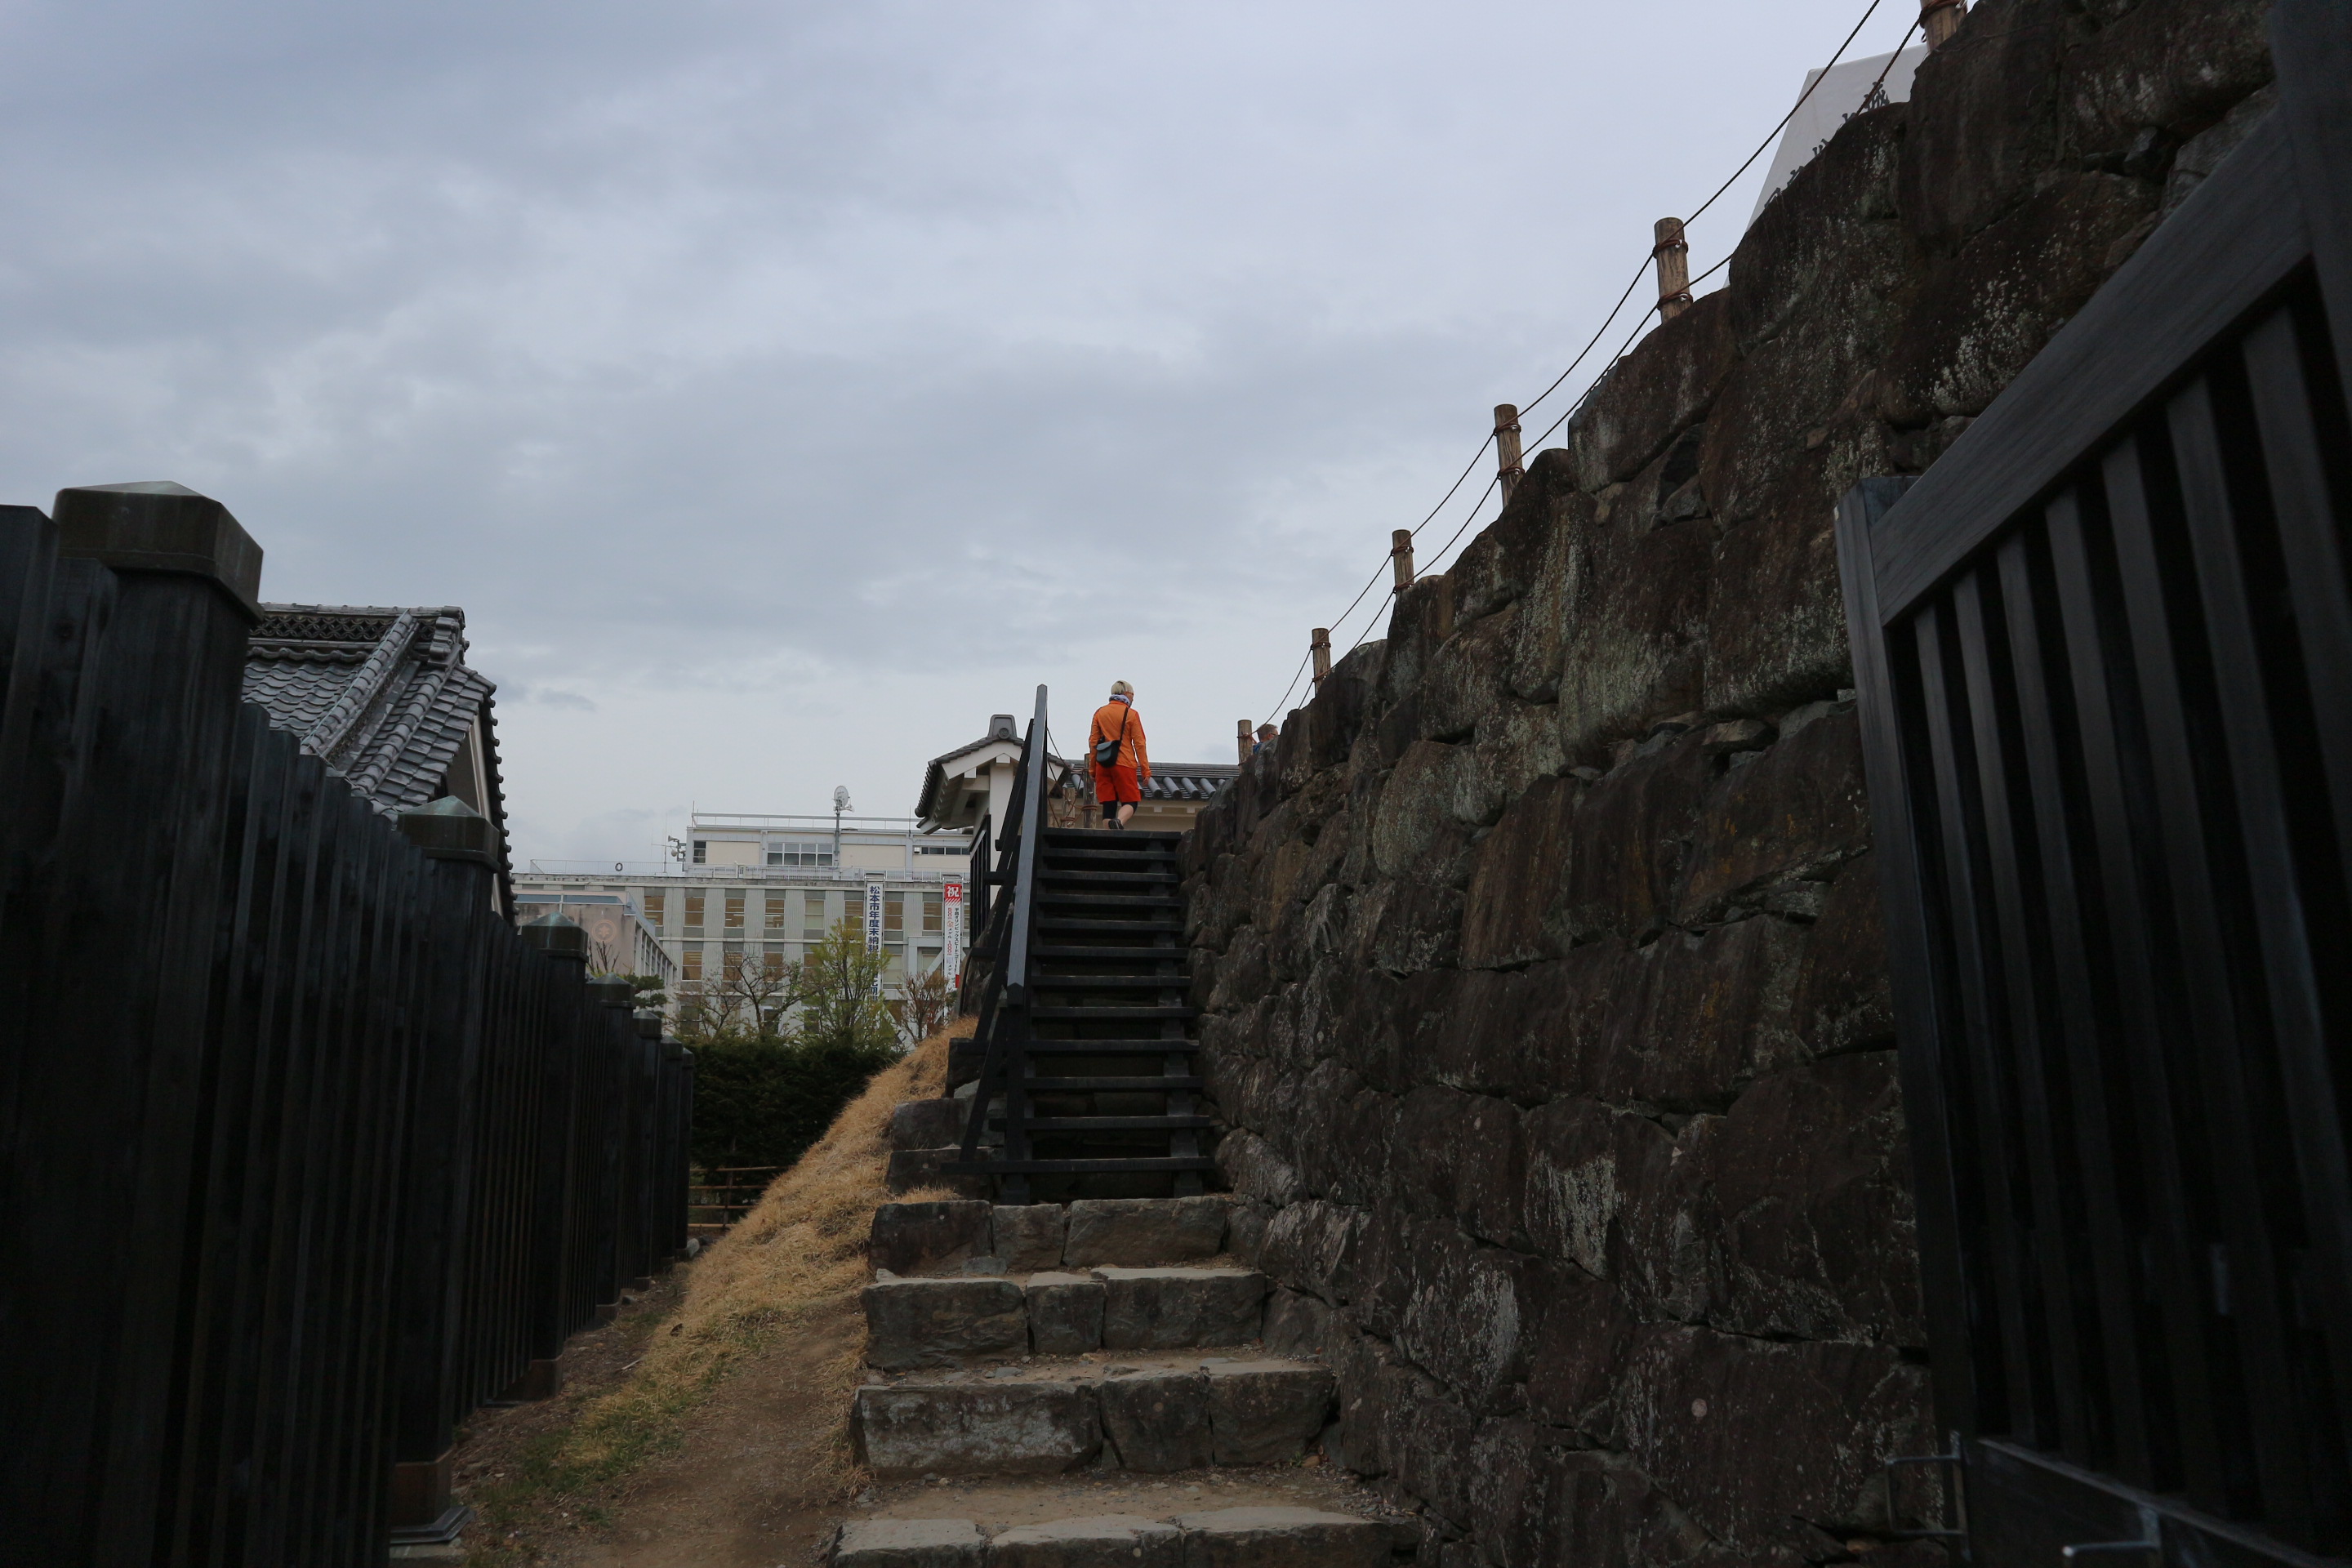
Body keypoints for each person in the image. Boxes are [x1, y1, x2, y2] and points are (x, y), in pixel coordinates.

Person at [1089, 680, 1151, 830]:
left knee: (1108, 804)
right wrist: (1145, 770)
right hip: (1124, 763)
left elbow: (1093, 742)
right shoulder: (1131, 714)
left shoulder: (1100, 713)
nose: (1133, 698)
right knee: (1131, 801)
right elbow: (1140, 744)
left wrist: (1093, 769)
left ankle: (1108, 837)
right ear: (1126, 694)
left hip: (1103, 763)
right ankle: (1119, 822)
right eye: (1132, 695)